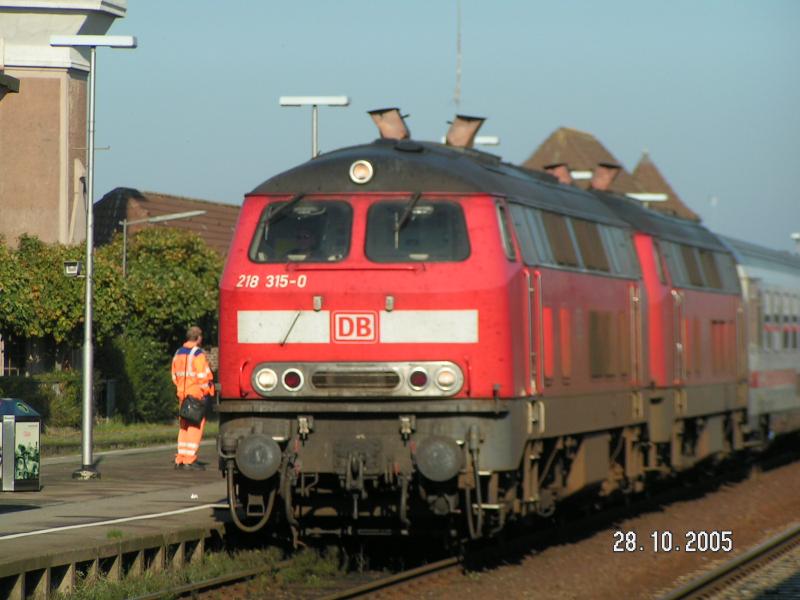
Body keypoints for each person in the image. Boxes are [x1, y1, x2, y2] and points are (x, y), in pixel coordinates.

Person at [171, 325, 214, 470]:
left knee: (183, 426)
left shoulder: (178, 353)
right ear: (198, 338)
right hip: (196, 395)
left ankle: (181, 458)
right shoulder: (197, 354)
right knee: (195, 427)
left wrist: (180, 389)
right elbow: (203, 376)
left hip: (182, 395)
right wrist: (208, 391)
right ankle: (190, 459)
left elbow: (174, 376)